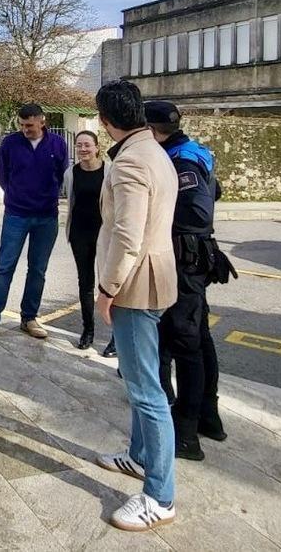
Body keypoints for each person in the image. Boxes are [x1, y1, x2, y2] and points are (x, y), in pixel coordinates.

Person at [90, 80, 179, 532]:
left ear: (105, 121)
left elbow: (128, 235)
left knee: (146, 390)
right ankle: (140, 457)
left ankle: (160, 497)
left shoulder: (129, 162)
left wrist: (107, 289)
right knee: (144, 378)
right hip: (155, 275)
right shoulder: (154, 150)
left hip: (135, 284)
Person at [144, 101, 229, 461]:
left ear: (152, 129)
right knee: (198, 340)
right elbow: (217, 190)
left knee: (186, 343)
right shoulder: (192, 151)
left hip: (185, 262)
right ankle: (209, 416)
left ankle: (187, 433)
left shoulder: (180, 160)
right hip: (192, 260)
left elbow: (197, 209)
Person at [0, 103, 68, 342]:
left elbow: (61, 172)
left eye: (30, 125)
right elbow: (1, 173)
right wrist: (14, 193)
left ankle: (29, 318)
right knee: (4, 267)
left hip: (47, 216)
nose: (25, 129)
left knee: (38, 269)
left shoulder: (58, 144)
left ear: (42, 121)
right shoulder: (10, 143)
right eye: (22, 125)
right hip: (16, 214)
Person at [61, 130, 109, 351]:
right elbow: (70, 199)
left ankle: (116, 337)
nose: (83, 149)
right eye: (79, 145)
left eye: (87, 145)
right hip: (79, 233)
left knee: (110, 284)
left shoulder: (110, 171)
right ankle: (88, 330)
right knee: (85, 283)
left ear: (97, 147)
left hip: (105, 234)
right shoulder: (71, 173)